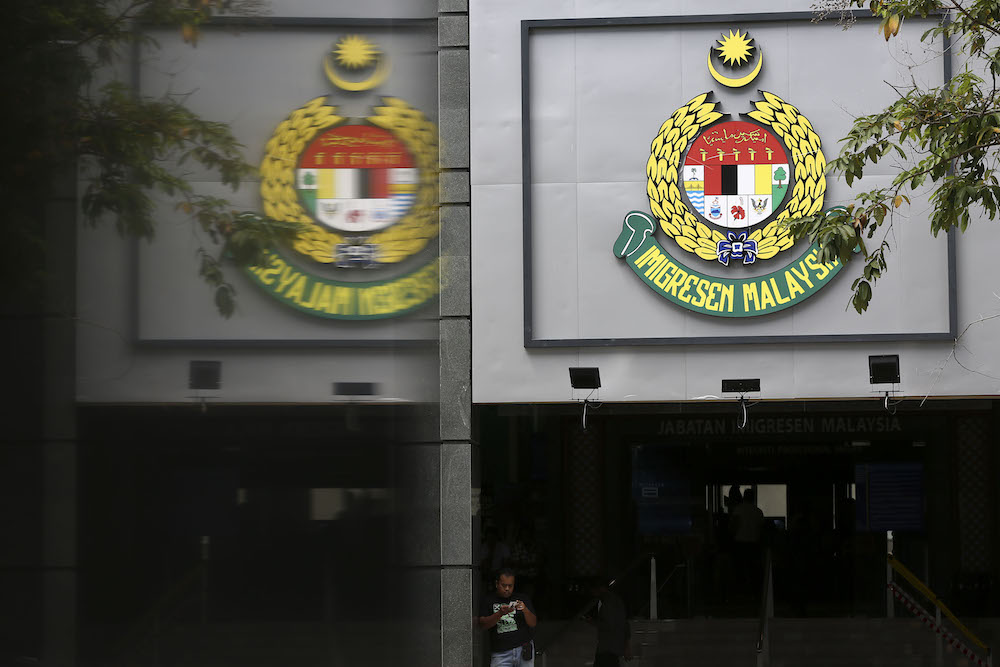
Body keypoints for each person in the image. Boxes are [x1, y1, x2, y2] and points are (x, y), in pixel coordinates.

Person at [478, 568, 537, 666]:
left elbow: (533, 623)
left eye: (510, 586)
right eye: (504, 585)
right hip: (501, 653)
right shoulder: (488, 600)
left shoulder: (522, 598)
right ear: (497, 584)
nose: (507, 589)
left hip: (523, 649)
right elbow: (483, 624)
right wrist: (500, 613)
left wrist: (525, 610)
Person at [588, 578, 632, 666]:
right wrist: (626, 646)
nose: (593, 594)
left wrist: (592, 622)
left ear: (600, 589)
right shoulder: (616, 600)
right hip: (613, 649)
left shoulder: (608, 602)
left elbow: (608, 625)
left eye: (593, 591)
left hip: (607, 649)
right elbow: (625, 624)